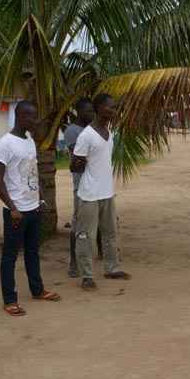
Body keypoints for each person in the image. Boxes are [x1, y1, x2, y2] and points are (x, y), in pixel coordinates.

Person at [0, 101, 61, 316]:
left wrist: (39, 194)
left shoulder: (29, 140)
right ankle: (10, 300)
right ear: (19, 116)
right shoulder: (5, 143)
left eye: (35, 116)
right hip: (16, 211)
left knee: (33, 252)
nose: (34, 120)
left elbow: (32, 169)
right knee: (10, 256)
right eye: (30, 116)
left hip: (33, 208)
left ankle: (37, 290)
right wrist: (12, 207)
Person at [72, 93, 131, 290]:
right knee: (85, 236)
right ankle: (87, 276)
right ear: (98, 108)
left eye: (114, 107)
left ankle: (112, 268)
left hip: (107, 192)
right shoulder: (86, 135)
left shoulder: (109, 131)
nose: (113, 111)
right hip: (89, 194)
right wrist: (77, 163)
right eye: (109, 107)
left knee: (110, 233)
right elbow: (75, 165)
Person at [64, 98, 96, 278]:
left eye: (93, 111)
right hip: (81, 184)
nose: (91, 115)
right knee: (78, 225)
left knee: (98, 223)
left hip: (97, 183)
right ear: (79, 111)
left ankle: (97, 255)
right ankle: (73, 262)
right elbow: (79, 159)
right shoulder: (72, 131)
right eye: (88, 111)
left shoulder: (90, 130)